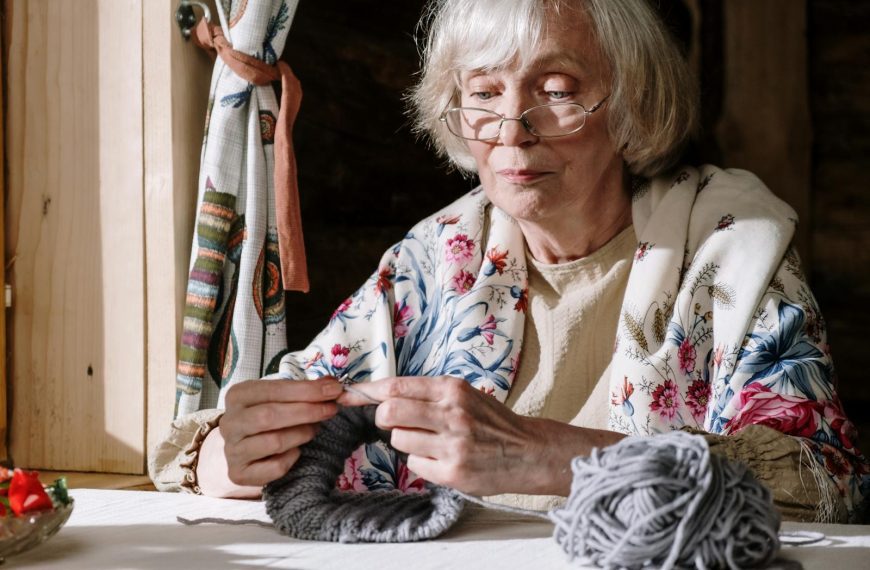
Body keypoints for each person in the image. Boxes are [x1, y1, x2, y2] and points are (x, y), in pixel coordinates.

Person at [150, 0, 869, 522]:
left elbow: (825, 478)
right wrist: (226, 456)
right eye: (485, 94)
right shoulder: (435, 261)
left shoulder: (730, 249)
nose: (513, 133)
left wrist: (551, 456)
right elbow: (238, 433)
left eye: (557, 92)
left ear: (630, 104)